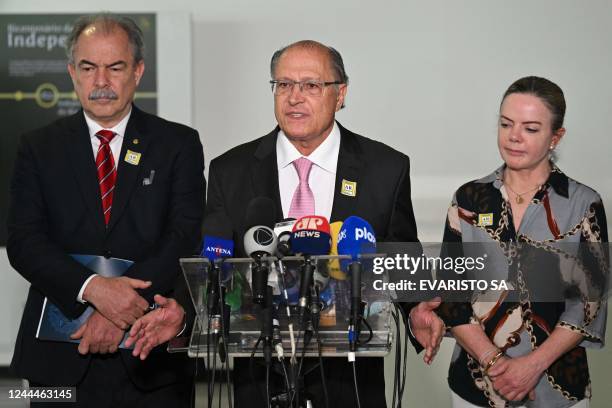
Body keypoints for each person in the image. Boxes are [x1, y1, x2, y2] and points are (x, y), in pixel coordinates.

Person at [129, 39, 444, 407]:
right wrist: (183, 313)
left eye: (311, 85)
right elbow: (213, 256)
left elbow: (400, 254)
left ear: (340, 94)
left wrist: (416, 308)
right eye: (283, 85)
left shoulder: (385, 168)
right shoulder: (230, 170)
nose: (295, 97)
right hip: (258, 375)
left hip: (350, 380)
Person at [6, 14, 205, 408]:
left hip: (152, 360)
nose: (101, 82)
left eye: (115, 67)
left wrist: (120, 312)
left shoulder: (177, 144)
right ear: (71, 73)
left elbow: (184, 235)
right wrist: (94, 290)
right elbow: (24, 241)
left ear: (138, 71)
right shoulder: (38, 147)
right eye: (88, 67)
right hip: (58, 361)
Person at [436, 76, 608, 407]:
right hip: (476, 385)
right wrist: (495, 364)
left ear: (556, 137)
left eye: (530, 128)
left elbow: (588, 306)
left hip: (558, 388)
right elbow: (452, 296)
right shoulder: (469, 199)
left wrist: (531, 366)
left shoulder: (582, 204)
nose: (514, 137)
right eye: (505, 124)